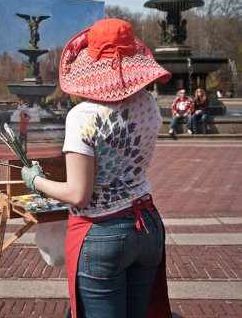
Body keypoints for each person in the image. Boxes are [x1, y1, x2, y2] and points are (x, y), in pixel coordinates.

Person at [21, 18, 173, 318]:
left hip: (102, 232)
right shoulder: (149, 103)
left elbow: (78, 194)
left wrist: (35, 180)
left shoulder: (83, 115)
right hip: (148, 225)